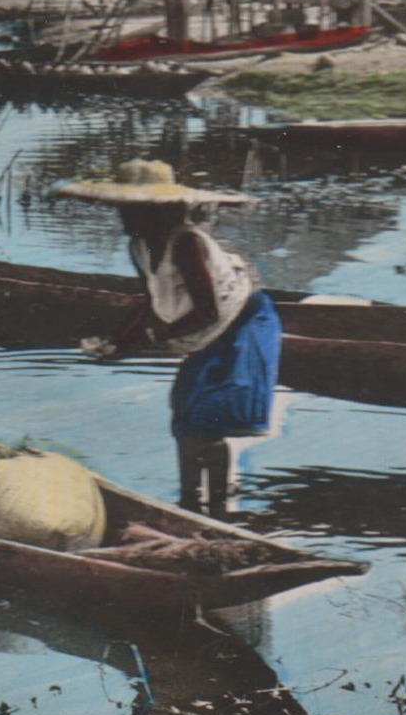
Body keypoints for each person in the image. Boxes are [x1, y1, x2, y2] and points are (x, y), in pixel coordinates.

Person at [54, 159, 281, 515]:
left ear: (158, 210)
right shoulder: (141, 247)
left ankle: (219, 507)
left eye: (132, 210)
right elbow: (153, 302)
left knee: (206, 418)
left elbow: (207, 310)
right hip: (204, 324)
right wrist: (120, 341)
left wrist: (156, 336)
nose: (124, 219)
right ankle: (191, 501)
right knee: (183, 413)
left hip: (241, 321)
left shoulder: (187, 244)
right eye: (122, 210)